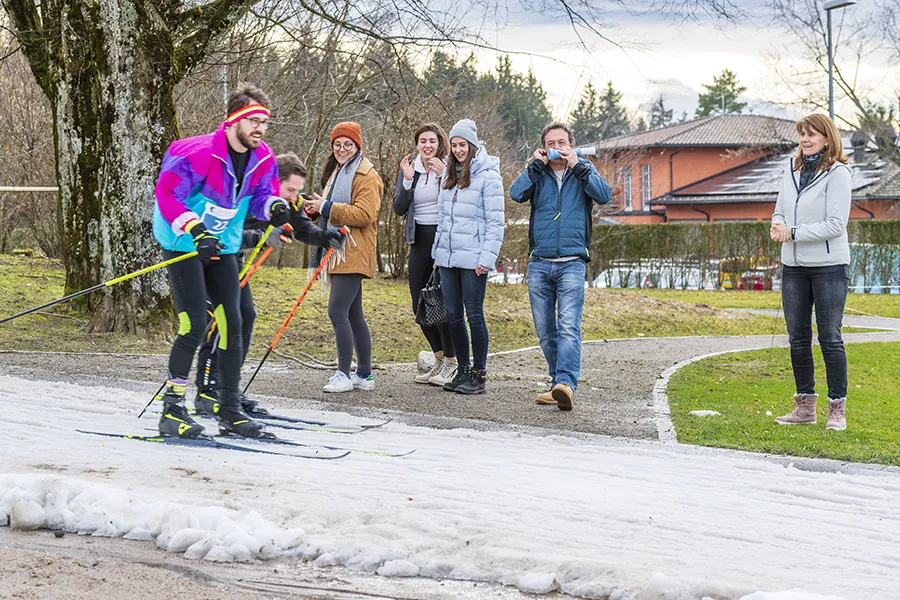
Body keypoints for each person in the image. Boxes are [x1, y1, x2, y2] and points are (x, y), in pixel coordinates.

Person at [151, 83, 290, 438]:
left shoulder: (263, 158)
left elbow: (262, 195)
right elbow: (168, 195)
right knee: (194, 322)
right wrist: (195, 229)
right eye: (254, 120)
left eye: (264, 122)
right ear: (233, 121)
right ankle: (172, 409)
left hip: (224, 246)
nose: (260, 128)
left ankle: (229, 408)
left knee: (234, 322)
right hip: (183, 242)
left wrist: (272, 207)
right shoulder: (195, 153)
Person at [193, 152, 345, 416]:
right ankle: (207, 391)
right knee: (220, 321)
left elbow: (302, 229)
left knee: (246, 316)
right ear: (274, 182)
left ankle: (229, 388)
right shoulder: (249, 194)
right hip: (209, 258)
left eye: (298, 190)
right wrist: (260, 237)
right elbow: (223, 232)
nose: (294, 196)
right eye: (290, 189)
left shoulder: (290, 202)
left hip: (233, 263)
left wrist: (327, 237)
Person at [509, 122, 611, 411]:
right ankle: (558, 384)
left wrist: (580, 166)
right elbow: (516, 194)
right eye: (551, 142)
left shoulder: (582, 171)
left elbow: (604, 195)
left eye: (562, 141)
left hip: (572, 263)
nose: (557, 146)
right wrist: (534, 166)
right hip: (540, 262)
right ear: (544, 146)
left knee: (568, 326)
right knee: (544, 329)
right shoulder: (538, 173)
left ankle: (565, 382)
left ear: (570, 144)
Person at [771, 113, 852, 431]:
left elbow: (836, 225)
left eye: (812, 134)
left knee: (830, 338)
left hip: (829, 267)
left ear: (827, 138)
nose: (805, 139)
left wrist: (793, 232)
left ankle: (837, 409)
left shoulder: (839, 174)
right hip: (793, 267)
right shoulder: (792, 171)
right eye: (802, 134)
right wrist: (777, 223)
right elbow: (780, 207)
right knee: (797, 338)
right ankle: (805, 406)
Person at [304, 122, 384, 393]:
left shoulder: (366, 174)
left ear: (357, 145)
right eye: (337, 145)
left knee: (337, 311)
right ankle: (364, 374)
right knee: (353, 313)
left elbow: (365, 214)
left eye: (347, 144)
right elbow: (335, 210)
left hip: (352, 249)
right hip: (337, 248)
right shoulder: (339, 172)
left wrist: (327, 206)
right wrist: (317, 210)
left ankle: (343, 374)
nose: (341, 149)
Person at [432, 119, 504, 395]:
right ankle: (463, 369)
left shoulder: (488, 176)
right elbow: (442, 218)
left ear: (473, 145)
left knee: (474, 314)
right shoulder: (448, 176)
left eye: (462, 145)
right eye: (454, 145)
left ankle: (479, 373)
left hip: (474, 258)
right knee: (452, 315)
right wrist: (438, 253)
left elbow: (496, 222)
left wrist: (487, 257)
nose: (458, 150)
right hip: (448, 258)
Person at [392, 123, 458, 386]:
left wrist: (445, 178)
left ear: (439, 143)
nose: (427, 145)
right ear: (417, 144)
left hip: (441, 238)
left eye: (432, 141)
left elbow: (457, 202)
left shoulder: (448, 166)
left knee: (439, 302)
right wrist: (407, 180)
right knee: (418, 303)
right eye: (423, 141)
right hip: (418, 238)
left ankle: (452, 363)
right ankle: (438, 358)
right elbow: (398, 207)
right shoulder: (411, 168)